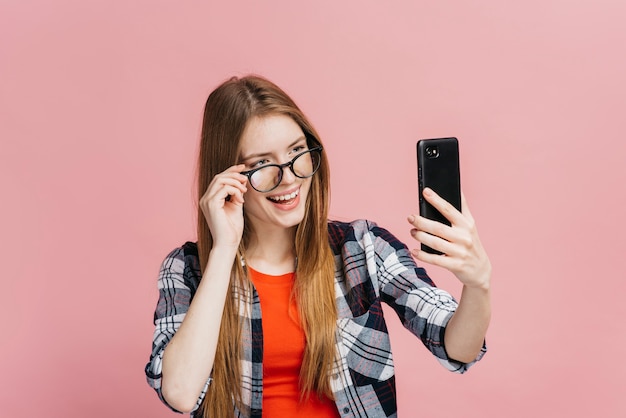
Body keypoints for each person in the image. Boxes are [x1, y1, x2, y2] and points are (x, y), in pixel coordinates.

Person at [145, 75, 491, 418]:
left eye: (297, 152)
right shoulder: (187, 268)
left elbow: (457, 347)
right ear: (227, 178)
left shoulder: (361, 248)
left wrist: (478, 285)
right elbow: (181, 393)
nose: (290, 177)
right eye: (262, 164)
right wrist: (223, 250)